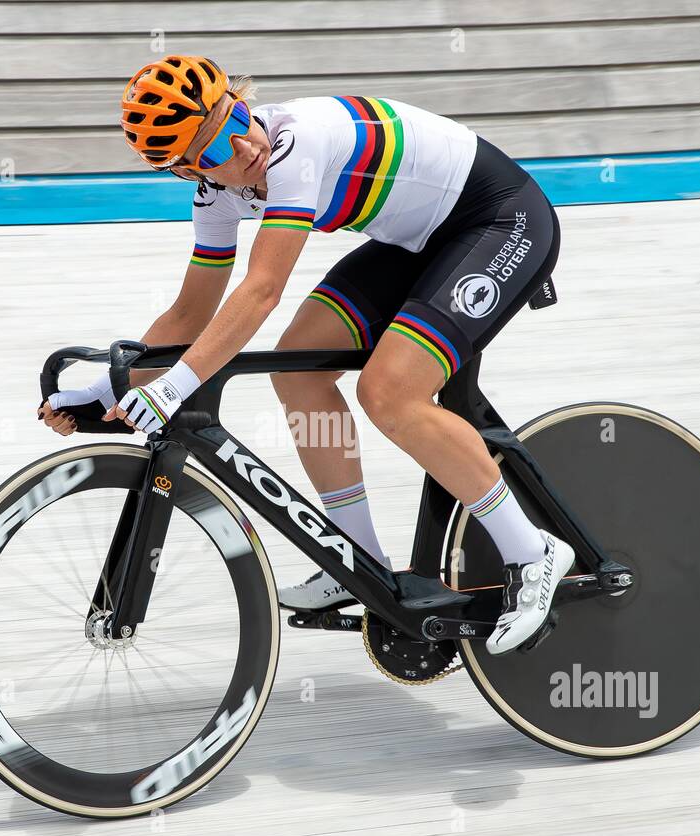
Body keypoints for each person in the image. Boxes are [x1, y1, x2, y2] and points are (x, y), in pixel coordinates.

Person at [39, 56, 571, 654]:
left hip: (501, 221)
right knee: (299, 370)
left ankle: (533, 551)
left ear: (241, 100)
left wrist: (171, 386)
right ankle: (360, 559)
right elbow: (190, 314)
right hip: (418, 242)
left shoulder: (295, 143)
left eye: (233, 118)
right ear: (188, 171)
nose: (242, 147)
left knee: (389, 391)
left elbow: (262, 290)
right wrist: (111, 387)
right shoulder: (217, 195)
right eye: (213, 151)